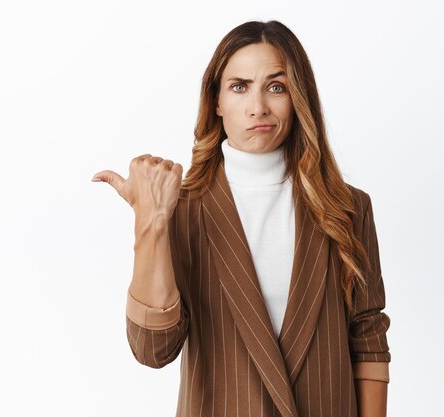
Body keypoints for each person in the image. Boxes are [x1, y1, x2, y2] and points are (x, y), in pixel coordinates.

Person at [92, 20, 391, 417]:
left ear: (298, 97)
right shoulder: (183, 209)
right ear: (216, 101)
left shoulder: (348, 208)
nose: (258, 107)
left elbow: (367, 335)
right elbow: (152, 349)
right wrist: (152, 222)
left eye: (276, 86)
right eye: (239, 86)